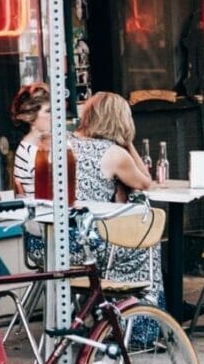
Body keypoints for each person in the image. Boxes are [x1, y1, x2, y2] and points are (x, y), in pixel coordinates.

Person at [70, 92, 164, 309]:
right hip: (87, 245)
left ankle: (99, 308)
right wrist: (128, 143)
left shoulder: (66, 142)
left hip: (56, 242)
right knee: (147, 242)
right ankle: (137, 321)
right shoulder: (113, 153)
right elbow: (145, 182)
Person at [9, 82, 51, 196]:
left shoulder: (45, 144)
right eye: (48, 111)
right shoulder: (27, 153)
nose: (55, 115)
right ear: (30, 117)